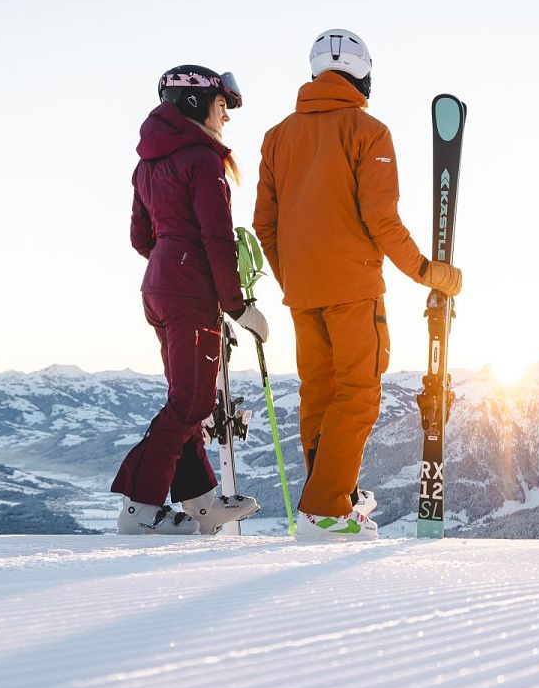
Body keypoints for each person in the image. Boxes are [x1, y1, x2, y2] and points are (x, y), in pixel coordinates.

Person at [254, 29, 463, 541]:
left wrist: (296, 277)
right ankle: (325, 510)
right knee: (360, 394)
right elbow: (381, 220)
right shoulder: (369, 131)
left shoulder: (277, 136)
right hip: (353, 289)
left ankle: (329, 499)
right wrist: (429, 273)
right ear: (363, 74)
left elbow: (266, 224)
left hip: (303, 293)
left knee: (319, 394)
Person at [111, 65, 271, 535]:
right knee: (188, 403)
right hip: (187, 292)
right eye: (223, 107)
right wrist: (239, 307)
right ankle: (141, 508)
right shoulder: (202, 160)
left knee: (191, 400)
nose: (227, 117)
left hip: (159, 286)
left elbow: (142, 237)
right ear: (196, 104)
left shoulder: (148, 163)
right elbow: (217, 238)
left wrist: (171, 257)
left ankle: (201, 503)